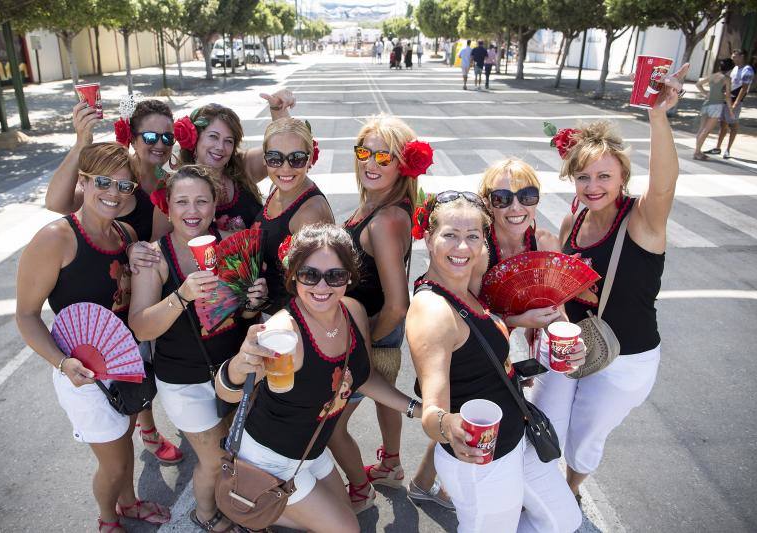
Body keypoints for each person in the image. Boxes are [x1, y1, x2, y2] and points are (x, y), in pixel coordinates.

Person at [530, 64, 689, 504]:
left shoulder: (643, 220)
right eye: (584, 177)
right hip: (572, 343)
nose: (593, 185)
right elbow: (562, 282)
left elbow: (665, 185)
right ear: (572, 180)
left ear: (622, 177)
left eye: (604, 176)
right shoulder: (573, 219)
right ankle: (537, 489)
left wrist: (659, 117)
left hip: (627, 358)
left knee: (584, 435)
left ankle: (571, 489)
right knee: (544, 420)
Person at [217, 223, 423, 533]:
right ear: (294, 275)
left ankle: (259, 509)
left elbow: (361, 378)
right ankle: (252, 506)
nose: (322, 286)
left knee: (343, 512)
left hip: (313, 450)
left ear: (349, 277)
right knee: (347, 529)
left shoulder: (352, 311)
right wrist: (238, 365)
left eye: (335, 276)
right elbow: (228, 391)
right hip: (272, 459)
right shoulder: (283, 334)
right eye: (310, 274)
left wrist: (419, 409)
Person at [16, 143, 171, 532]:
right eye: (103, 182)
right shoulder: (56, 239)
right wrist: (63, 362)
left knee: (125, 438)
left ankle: (129, 503)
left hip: (127, 359)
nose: (114, 193)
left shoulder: (127, 233)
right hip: (80, 370)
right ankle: (107, 519)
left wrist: (139, 255)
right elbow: (26, 315)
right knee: (114, 461)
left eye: (125, 186)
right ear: (83, 182)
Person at [407, 193, 583, 532]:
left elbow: (477, 333)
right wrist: (448, 427)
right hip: (481, 459)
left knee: (564, 520)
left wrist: (521, 324)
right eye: (450, 235)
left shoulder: (466, 284)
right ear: (428, 239)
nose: (462, 247)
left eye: (473, 235)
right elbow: (432, 411)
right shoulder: (432, 311)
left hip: (518, 434)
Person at [128, 165, 268, 532]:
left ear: (214, 205)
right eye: (182, 202)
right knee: (215, 457)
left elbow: (244, 314)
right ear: (168, 207)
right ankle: (206, 515)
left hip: (234, 369)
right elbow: (141, 325)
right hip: (183, 378)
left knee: (237, 453)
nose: (192, 211)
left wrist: (254, 300)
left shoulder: (232, 241)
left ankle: (234, 506)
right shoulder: (154, 259)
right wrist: (182, 294)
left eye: (201, 201)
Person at [44, 99, 182, 465]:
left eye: (168, 136)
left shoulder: (169, 185)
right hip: (98, 305)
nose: (160, 143)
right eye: (150, 135)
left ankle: (144, 429)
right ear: (131, 137)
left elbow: (159, 246)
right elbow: (58, 202)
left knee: (140, 372)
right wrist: (80, 142)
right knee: (112, 445)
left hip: (136, 296)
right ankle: (148, 433)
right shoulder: (114, 176)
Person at [327, 116, 450, 513]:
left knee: (331, 426)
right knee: (387, 400)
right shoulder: (383, 204)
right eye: (365, 152)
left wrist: (365, 344)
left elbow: (397, 304)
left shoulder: (385, 219)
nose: (371, 162)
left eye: (385, 155)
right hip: (378, 331)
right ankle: (392, 466)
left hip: (373, 331)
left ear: (403, 164)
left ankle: (361, 490)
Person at [172, 92, 294, 231]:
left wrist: (278, 110)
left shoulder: (242, 167)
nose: (220, 147)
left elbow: (283, 149)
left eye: (228, 141)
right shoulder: (176, 187)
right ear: (195, 138)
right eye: (213, 136)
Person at [252, 117, 334, 315]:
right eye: (275, 158)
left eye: (296, 158)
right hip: (267, 312)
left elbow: (316, 290)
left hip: (289, 321)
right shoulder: (278, 187)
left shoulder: (310, 213)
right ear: (265, 159)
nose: (285, 168)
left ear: (310, 157)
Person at [472, 159, 563, 333]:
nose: (516, 207)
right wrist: (518, 320)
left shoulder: (546, 244)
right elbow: (470, 317)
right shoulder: (478, 249)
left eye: (527, 196)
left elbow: (558, 312)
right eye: (502, 198)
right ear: (488, 203)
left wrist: (565, 338)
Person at [706, 49, 754, 159]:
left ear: (742, 56)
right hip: (726, 99)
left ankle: (728, 150)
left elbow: (744, 88)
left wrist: (736, 103)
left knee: (733, 125)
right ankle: (717, 147)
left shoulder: (748, 70)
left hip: (734, 101)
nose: (732, 58)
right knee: (723, 124)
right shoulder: (735, 68)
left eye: (735, 56)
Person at [693, 58, 735, 160]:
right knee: (706, 131)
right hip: (716, 106)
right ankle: (697, 152)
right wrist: (731, 110)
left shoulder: (713, 76)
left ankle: (697, 151)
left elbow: (698, 84)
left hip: (706, 104)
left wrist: (706, 93)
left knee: (701, 129)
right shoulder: (727, 79)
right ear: (730, 69)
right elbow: (728, 96)